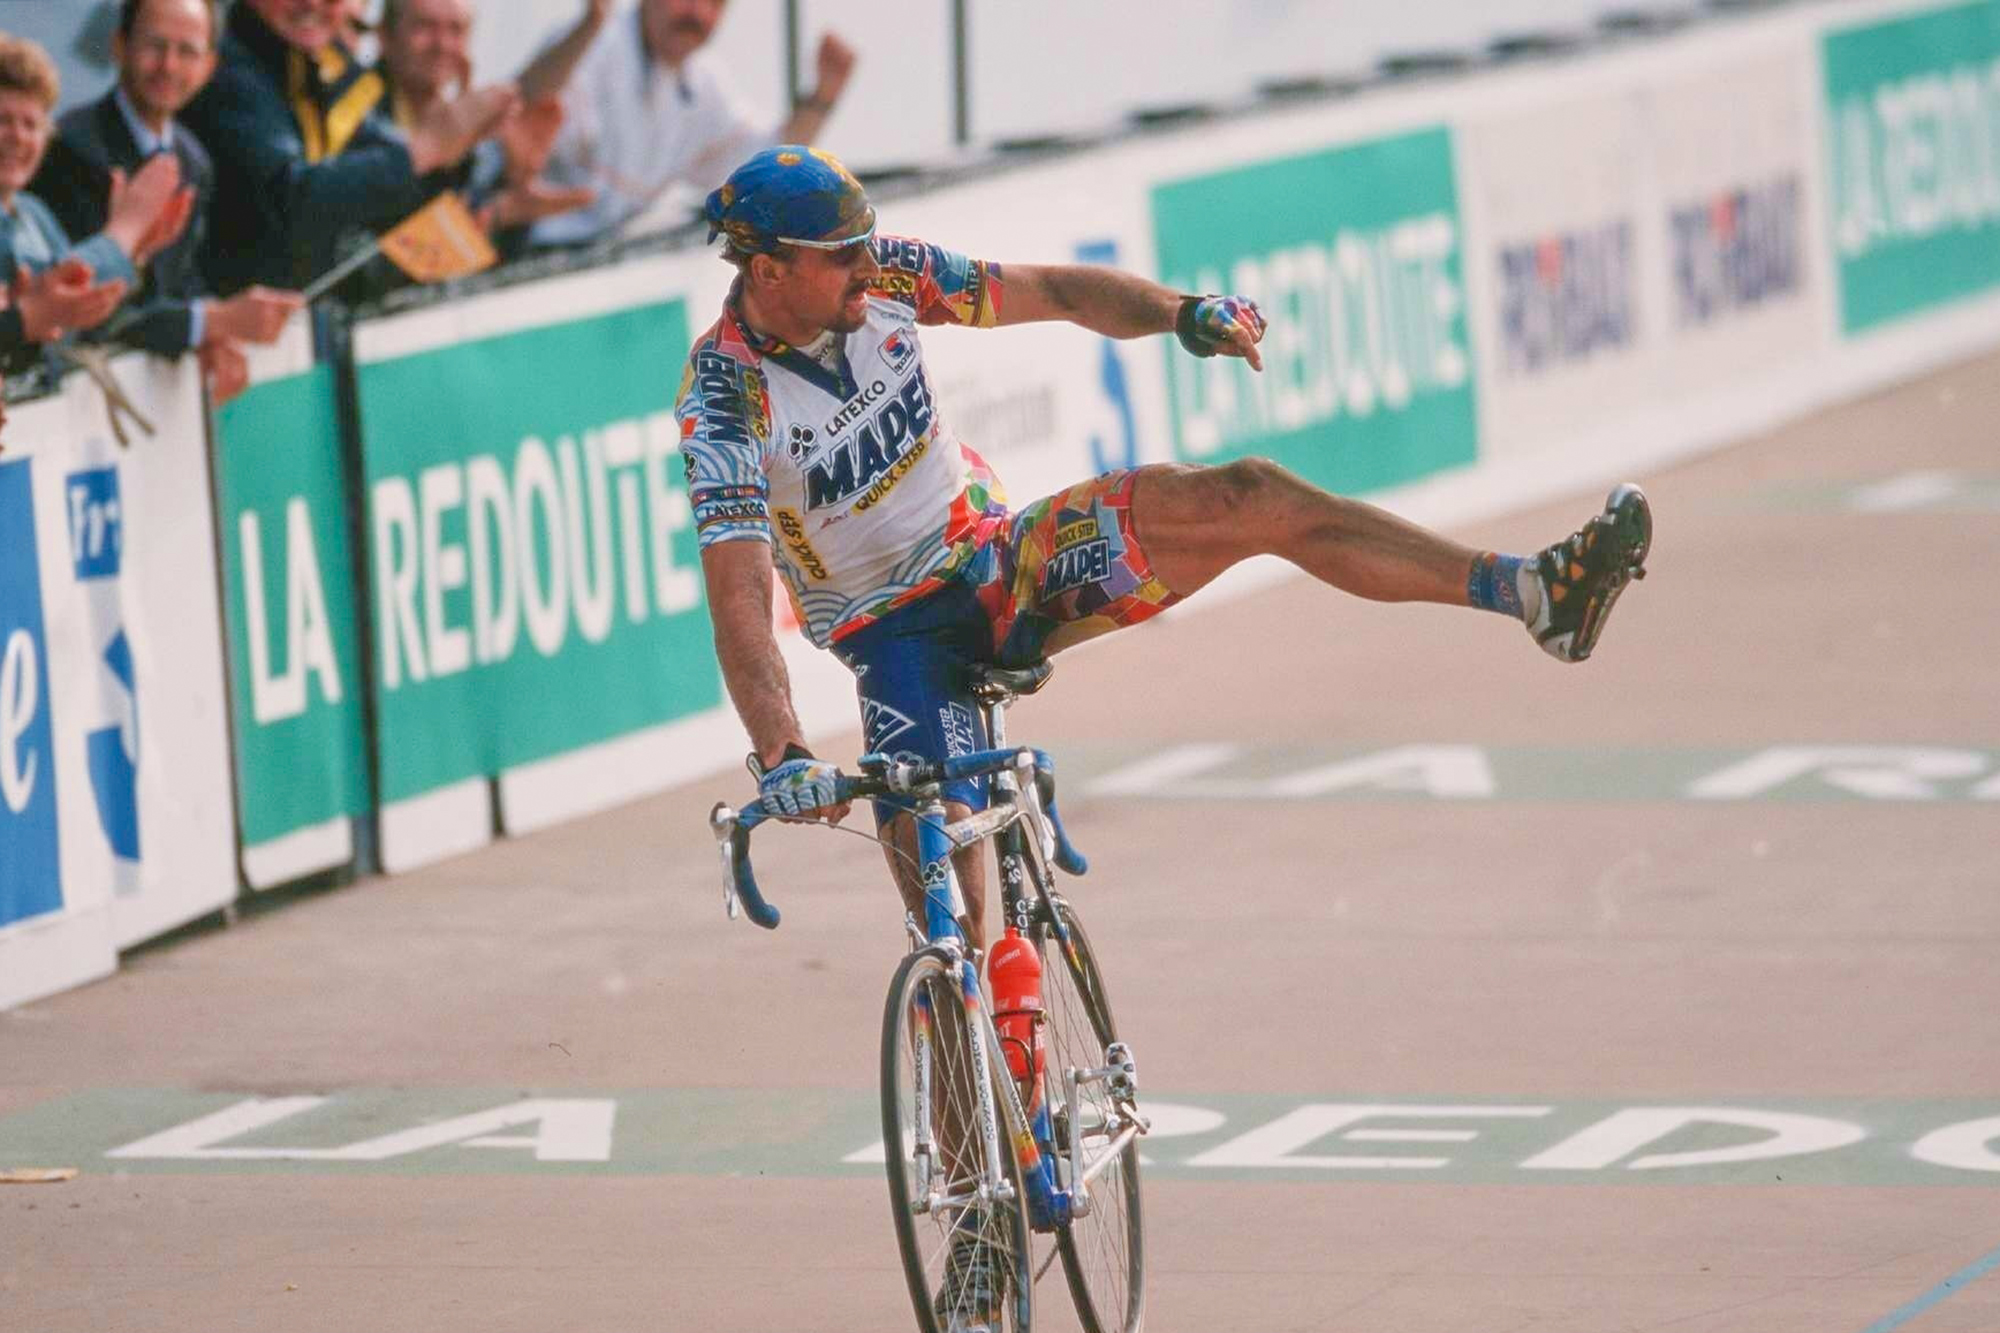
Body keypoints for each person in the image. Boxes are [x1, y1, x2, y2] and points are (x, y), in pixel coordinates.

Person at [680, 146, 1655, 950]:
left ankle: (1531, 593)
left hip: (1000, 569)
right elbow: (737, 597)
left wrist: (1179, 314)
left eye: (863, 245)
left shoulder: (884, 278)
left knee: (1246, 495)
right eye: (840, 254)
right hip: (895, 638)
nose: (866, 262)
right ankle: (971, 1172)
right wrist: (782, 753)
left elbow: (1055, 290)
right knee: (951, 941)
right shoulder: (726, 400)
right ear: (767, 270)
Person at [32, 0, 304, 404]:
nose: (169, 67)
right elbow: (95, 313)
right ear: (119, 46)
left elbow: (178, 282)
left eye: (187, 52)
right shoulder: (73, 149)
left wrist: (212, 327)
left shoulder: (193, 160)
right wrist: (211, 321)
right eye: (154, 46)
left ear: (210, 66)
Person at [178, 0, 514, 296]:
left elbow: (378, 185)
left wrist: (460, 155)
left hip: (290, 333)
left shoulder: (322, 66)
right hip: (214, 337)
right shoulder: (226, 67)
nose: (311, 4)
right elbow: (290, 201)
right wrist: (426, 149)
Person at [528, 0, 856, 247]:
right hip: (530, 253)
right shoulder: (591, 42)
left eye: (714, 3)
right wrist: (589, 26)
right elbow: (523, 121)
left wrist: (823, 97)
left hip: (608, 265)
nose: (698, 14)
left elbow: (763, 165)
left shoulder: (703, 81)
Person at [0, 32, 189, 373]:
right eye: (3, 120)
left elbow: (79, 319)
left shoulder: (34, 214)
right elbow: (42, 310)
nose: (17, 137)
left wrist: (135, 252)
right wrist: (123, 234)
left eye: (31, 124)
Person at [377, 0, 593, 237]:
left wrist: (513, 187)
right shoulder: (351, 115)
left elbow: (461, 255)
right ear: (384, 35)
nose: (442, 44)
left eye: (456, 29)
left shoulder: (478, 136)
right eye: (425, 26)